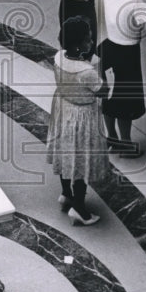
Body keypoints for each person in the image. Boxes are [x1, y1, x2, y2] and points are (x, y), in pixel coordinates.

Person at [46, 16, 110, 226]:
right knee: (81, 162)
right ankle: (80, 209)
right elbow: (103, 92)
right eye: (88, 40)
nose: (91, 43)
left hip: (63, 109)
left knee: (66, 154)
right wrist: (98, 65)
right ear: (77, 45)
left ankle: (66, 195)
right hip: (82, 117)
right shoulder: (87, 72)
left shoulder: (58, 57)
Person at [98, 0, 146, 157]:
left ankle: (111, 137)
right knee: (125, 104)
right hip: (127, 56)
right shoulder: (136, 3)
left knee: (108, 97)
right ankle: (125, 144)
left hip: (108, 48)